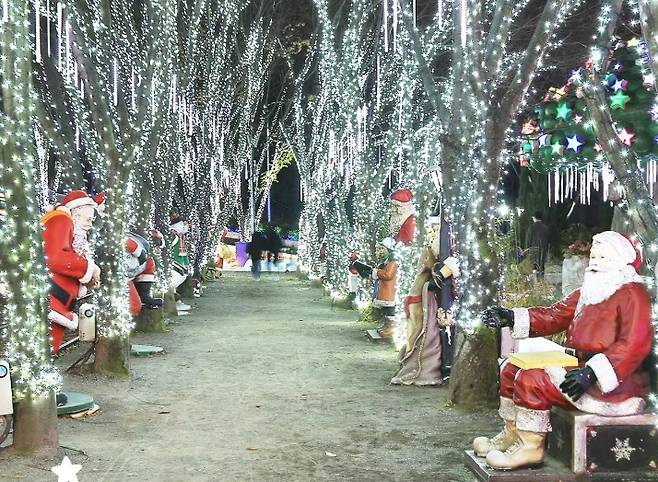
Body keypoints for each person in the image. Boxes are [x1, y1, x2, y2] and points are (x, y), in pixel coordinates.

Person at [475, 231, 652, 470]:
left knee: (532, 379)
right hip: (581, 370)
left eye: (603, 257)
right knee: (511, 368)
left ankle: (530, 447)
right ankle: (512, 434)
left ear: (621, 262)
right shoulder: (591, 291)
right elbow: (554, 315)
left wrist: (592, 373)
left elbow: (634, 344)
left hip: (614, 385)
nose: (595, 262)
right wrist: (511, 316)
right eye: (594, 255)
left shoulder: (632, 294)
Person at [41, 191, 101, 354]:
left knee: (46, 351)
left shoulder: (69, 229)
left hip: (58, 302)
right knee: (43, 351)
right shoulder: (61, 220)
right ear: (77, 210)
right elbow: (55, 257)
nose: (90, 225)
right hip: (53, 300)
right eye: (89, 219)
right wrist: (90, 269)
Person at [525, 211, 549, 278]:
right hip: (543, 250)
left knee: (533, 266)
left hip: (533, 250)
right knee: (541, 266)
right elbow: (548, 241)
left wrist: (527, 250)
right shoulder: (546, 228)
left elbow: (528, 240)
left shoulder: (531, 228)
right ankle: (541, 281)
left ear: (534, 217)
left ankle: (535, 282)